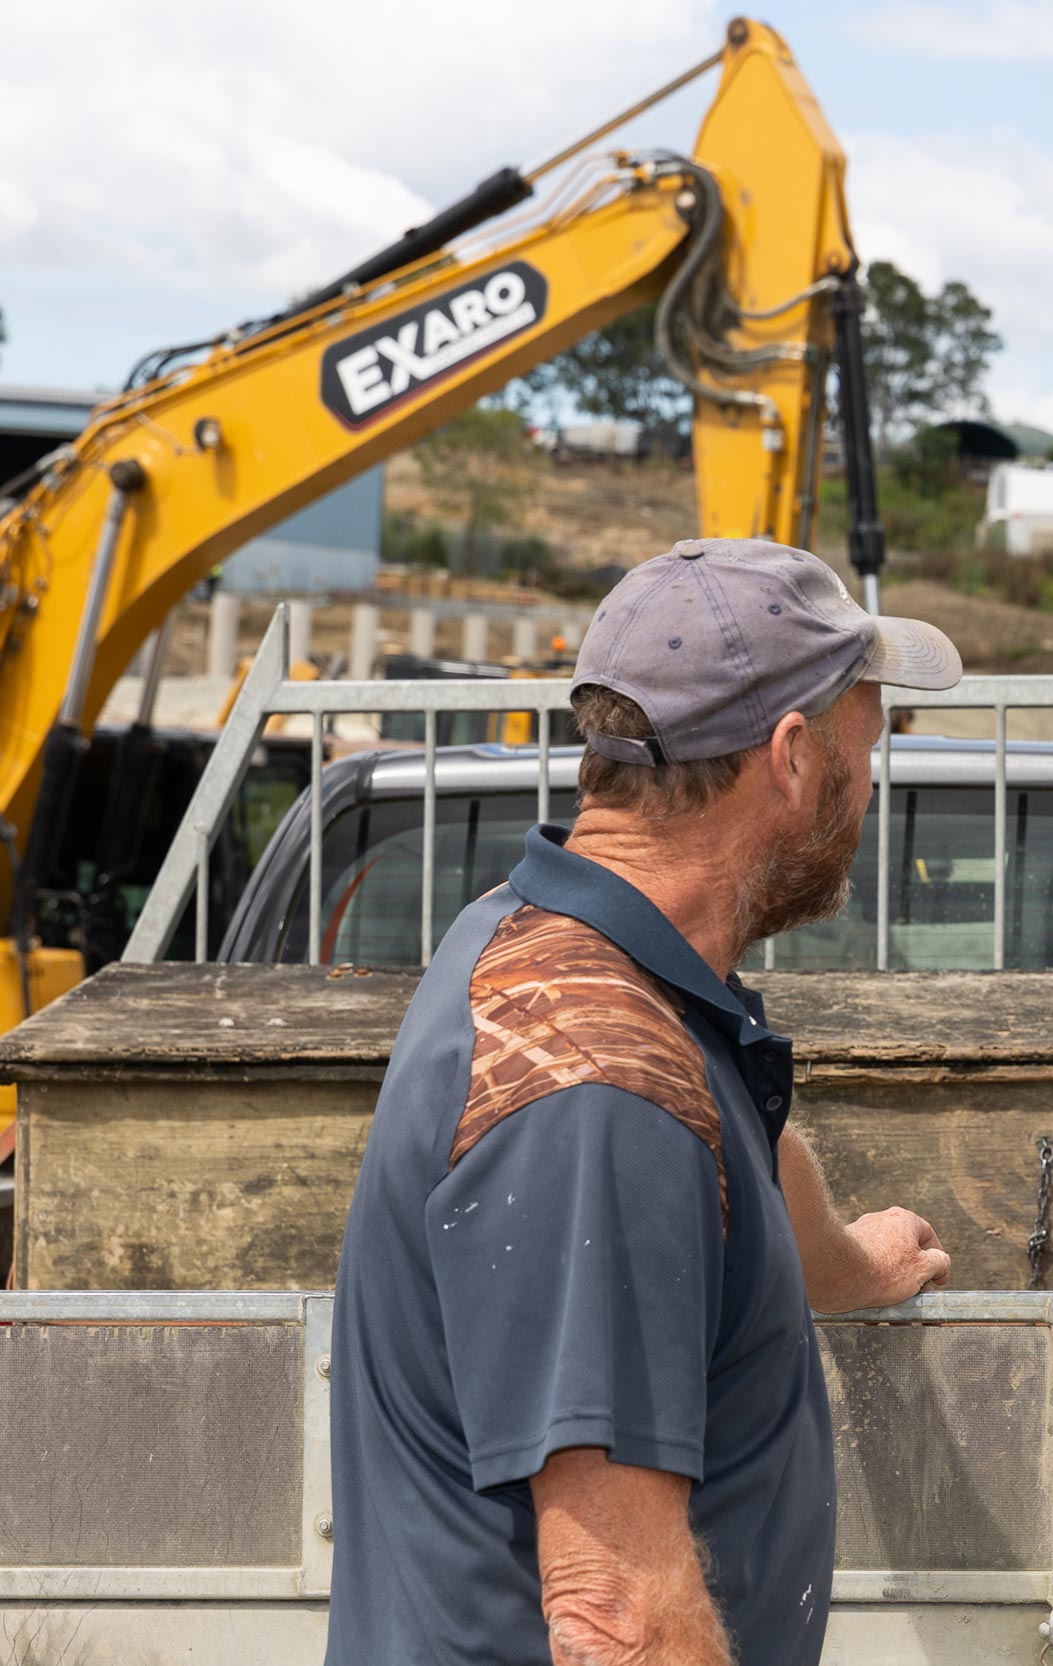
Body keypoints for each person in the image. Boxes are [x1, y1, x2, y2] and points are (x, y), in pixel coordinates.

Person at [324, 538, 964, 1666]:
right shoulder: (598, 1093)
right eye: (871, 744)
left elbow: (732, 1141)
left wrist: (848, 1263)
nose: (870, 784)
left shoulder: (553, 940)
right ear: (792, 757)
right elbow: (616, 1620)